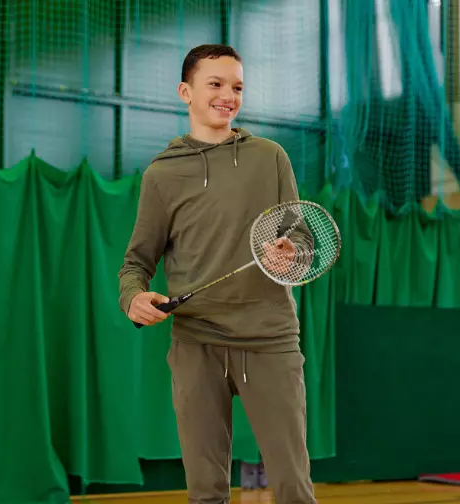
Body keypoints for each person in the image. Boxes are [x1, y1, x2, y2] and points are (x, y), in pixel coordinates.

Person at [117, 44, 317, 503]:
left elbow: (303, 242)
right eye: (216, 84)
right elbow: (136, 263)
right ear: (185, 92)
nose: (228, 95)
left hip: (270, 339)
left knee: (293, 486)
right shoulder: (161, 176)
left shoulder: (270, 158)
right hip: (196, 344)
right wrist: (134, 297)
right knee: (206, 492)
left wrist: (292, 253)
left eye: (237, 86)